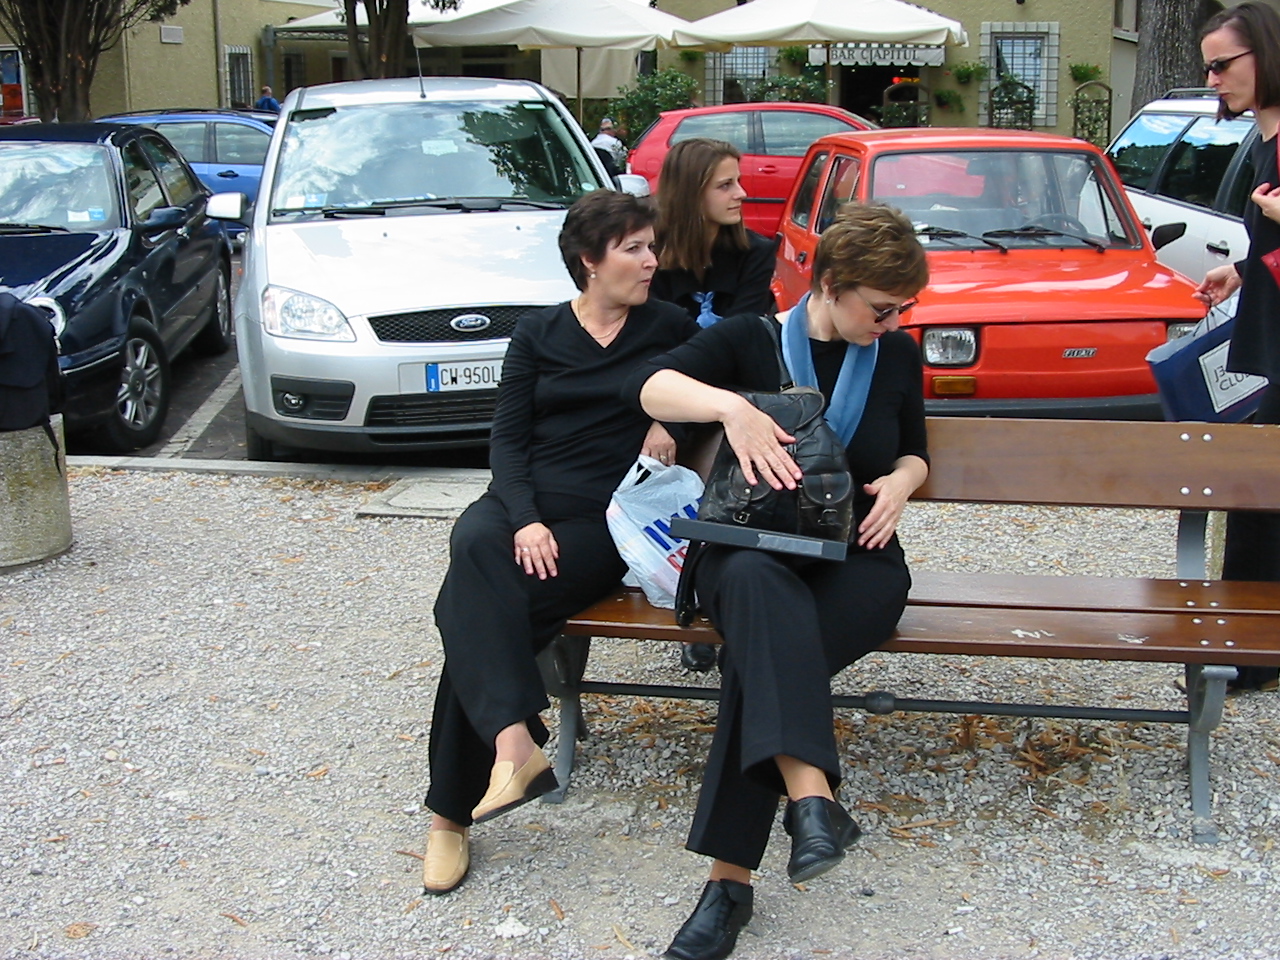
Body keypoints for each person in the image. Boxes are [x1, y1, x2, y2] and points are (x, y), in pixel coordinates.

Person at [624, 203, 930, 960]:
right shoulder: (750, 337)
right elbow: (652, 388)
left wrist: (902, 482)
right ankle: (809, 802)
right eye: (881, 308)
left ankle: (734, 885)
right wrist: (731, 409)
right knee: (764, 609)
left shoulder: (894, 355)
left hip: (855, 556)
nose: (892, 323)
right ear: (829, 284)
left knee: (761, 661)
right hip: (748, 546)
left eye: (903, 309)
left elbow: (914, 450)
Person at [421, 190, 700, 896]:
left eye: (652, 246)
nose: (651, 260)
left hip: (601, 524)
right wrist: (524, 518)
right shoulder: (538, 333)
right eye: (634, 249)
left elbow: (723, 384)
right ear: (589, 260)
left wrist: (669, 422)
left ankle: (450, 815)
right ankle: (512, 743)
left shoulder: (668, 326)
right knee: (474, 545)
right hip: (524, 510)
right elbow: (507, 439)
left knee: (474, 612)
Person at [649, 136, 780, 673]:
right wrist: (660, 415)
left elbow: (739, 344)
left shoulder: (755, 252)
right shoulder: (651, 255)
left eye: (738, 181)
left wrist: (675, 411)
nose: (741, 194)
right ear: (690, 193)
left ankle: (725, 605)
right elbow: (649, 346)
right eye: (726, 185)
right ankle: (679, 587)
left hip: (737, 397)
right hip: (669, 398)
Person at [1194, 1, 1280, 692]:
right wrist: (1245, 269)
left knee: (1261, 495)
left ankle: (1251, 656)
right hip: (1271, 338)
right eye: (1209, 67)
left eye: (1223, 64)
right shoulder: (1263, 136)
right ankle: (1250, 651)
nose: (1213, 79)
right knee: (1259, 495)